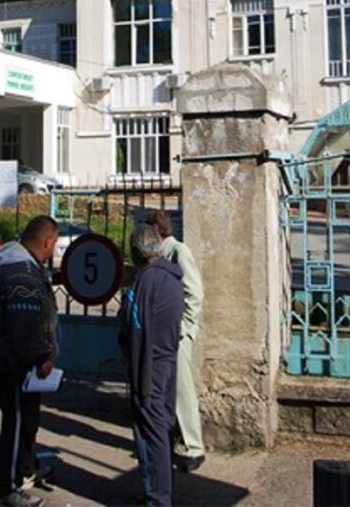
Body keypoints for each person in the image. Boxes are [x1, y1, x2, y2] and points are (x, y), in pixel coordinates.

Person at [0, 216, 60, 507]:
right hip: (8, 362)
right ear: (46, 242)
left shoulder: (14, 262)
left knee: (29, 415)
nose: (53, 249)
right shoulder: (21, 273)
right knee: (16, 418)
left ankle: (27, 468)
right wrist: (41, 356)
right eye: (54, 243)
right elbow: (22, 328)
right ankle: (6, 490)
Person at [119, 224, 185, 506]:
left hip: (148, 365)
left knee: (151, 432)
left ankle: (157, 497)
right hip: (167, 359)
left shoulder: (145, 282)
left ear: (135, 253)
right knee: (162, 428)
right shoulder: (172, 278)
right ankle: (159, 491)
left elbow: (132, 324)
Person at [145, 210, 206, 472]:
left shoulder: (179, 251)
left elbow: (195, 293)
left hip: (176, 333)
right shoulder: (159, 254)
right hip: (165, 332)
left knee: (182, 388)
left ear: (156, 230)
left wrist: (184, 327)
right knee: (166, 389)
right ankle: (169, 440)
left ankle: (194, 447)